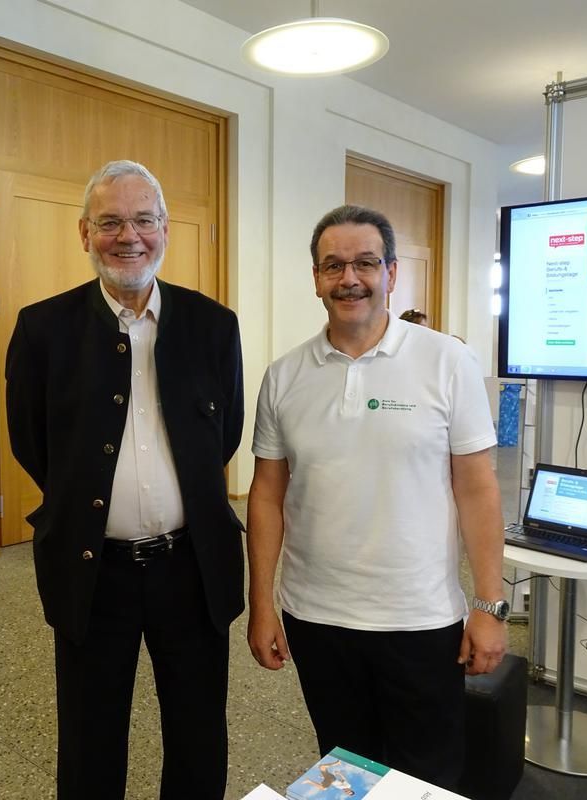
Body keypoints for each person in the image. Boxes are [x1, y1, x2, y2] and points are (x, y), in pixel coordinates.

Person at [5, 160, 245, 800]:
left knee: (198, 732)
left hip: (191, 567)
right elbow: (31, 443)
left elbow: (224, 436)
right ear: (85, 233)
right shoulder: (42, 329)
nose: (128, 236)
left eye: (143, 220)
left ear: (165, 228)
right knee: (89, 737)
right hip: (92, 570)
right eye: (110, 222)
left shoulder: (213, 325)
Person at [246, 205, 507, 790]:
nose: (350, 279)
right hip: (316, 617)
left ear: (391, 272)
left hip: (419, 618)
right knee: (344, 768)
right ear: (316, 278)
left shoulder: (447, 361)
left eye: (365, 263)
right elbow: (266, 494)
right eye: (333, 266)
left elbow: (477, 489)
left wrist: (490, 607)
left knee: (425, 777)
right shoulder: (284, 376)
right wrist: (261, 601)